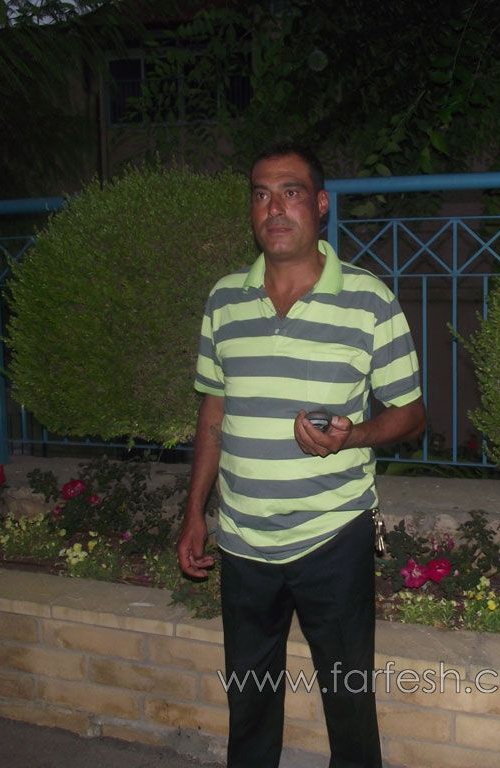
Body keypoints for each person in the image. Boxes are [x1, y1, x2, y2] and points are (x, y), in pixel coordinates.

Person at [176, 143, 426, 768]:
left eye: (290, 192)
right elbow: (212, 414)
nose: (274, 208)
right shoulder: (224, 300)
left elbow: (411, 413)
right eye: (261, 194)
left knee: (349, 703)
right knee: (248, 705)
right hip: (242, 540)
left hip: (332, 536)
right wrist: (195, 512)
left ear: (320, 205)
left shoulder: (368, 300)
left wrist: (353, 435)